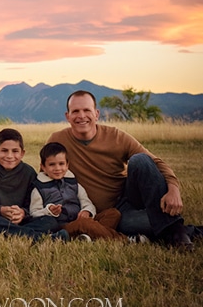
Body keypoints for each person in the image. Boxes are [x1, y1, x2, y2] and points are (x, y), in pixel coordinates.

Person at [47, 90, 194, 249]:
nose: (81, 115)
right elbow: (45, 175)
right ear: (67, 116)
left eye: (86, 110)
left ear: (96, 114)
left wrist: (173, 188)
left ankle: (176, 230)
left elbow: (156, 162)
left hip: (124, 203)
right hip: (104, 217)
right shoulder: (57, 140)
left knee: (140, 160)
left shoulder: (116, 136)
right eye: (75, 111)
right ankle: (179, 230)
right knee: (142, 225)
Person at [0, 127, 67, 241]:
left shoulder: (29, 172)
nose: (10, 156)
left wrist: (22, 213)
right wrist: (1, 210)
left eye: (15, 151)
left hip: (18, 221)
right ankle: (36, 237)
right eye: (4, 151)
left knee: (50, 222)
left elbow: (31, 206)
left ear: (22, 153)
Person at [30, 142, 127, 242]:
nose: (57, 168)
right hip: (62, 227)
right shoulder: (39, 189)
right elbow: (34, 213)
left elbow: (87, 202)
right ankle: (123, 240)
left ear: (67, 165)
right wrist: (49, 210)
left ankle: (88, 236)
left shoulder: (74, 184)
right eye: (52, 165)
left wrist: (87, 211)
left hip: (80, 220)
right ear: (43, 167)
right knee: (84, 224)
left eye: (61, 164)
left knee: (113, 213)